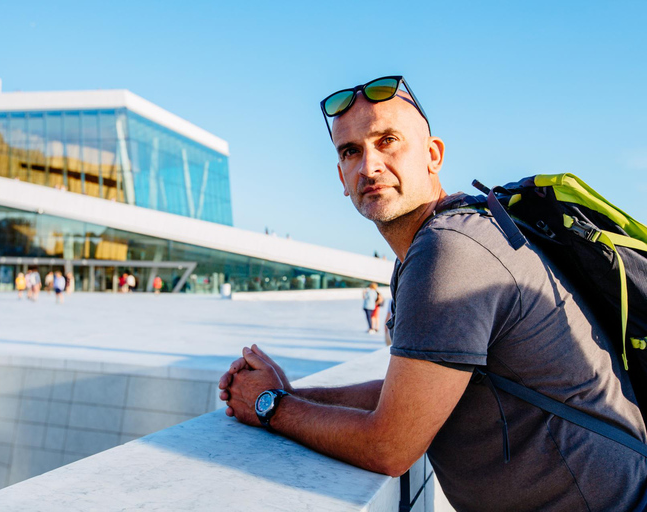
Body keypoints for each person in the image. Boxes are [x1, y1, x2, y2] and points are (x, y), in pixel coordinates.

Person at [218, 76, 647, 511]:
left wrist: (270, 406)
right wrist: (293, 393)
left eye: (388, 140)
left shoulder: (450, 250)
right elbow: (410, 391)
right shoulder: (437, 243)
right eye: (351, 151)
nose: (369, 165)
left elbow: (389, 447)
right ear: (341, 177)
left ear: (432, 155)